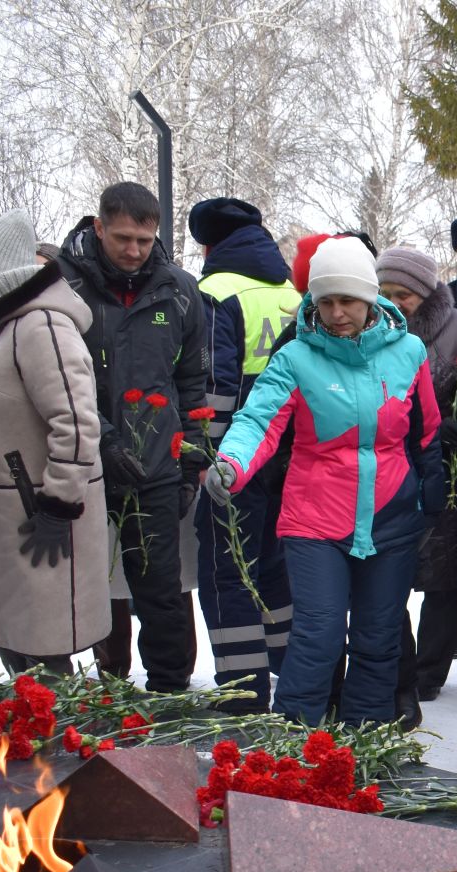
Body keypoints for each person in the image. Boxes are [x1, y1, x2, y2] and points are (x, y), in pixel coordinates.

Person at [205, 236, 440, 726]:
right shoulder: (296, 356)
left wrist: (432, 485)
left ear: (370, 298)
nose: (336, 313)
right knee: (319, 633)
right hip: (314, 518)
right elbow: (259, 419)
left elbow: (426, 428)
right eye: (325, 301)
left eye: (348, 300)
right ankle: (295, 740)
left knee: (379, 638)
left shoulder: (409, 352)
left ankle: (365, 737)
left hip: (390, 517)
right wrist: (232, 462)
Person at [56, 181, 208, 691]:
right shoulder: (62, 286)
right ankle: (104, 685)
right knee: (90, 586)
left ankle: (170, 687)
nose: (133, 250)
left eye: (144, 241)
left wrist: (190, 459)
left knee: (160, 586)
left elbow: (192, 383)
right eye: (122, 238)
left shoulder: (180, 290)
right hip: (84, 460)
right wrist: (101, 440)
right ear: (98, 227)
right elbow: (55, 381)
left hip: (156, 464)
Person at [0, 210, 111, 673]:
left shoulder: (41, 324)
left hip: (38, 514)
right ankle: (37, 741)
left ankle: (54, 744)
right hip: (11, 514)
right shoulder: (4, 328)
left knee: (44, 657)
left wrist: (59, 503)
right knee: (22, 649)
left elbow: (78, 421)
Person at [188, 196, 300, 713]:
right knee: (274, 564)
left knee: (225, 565)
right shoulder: (289, 291)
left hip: (237, 454)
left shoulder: (214, 292)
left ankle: (242, 685)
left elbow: (216, 388)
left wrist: (210, 457)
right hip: (291, 453)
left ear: (208, 244)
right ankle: (289, 665)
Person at [379, 244, 457, 712]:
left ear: (424, 292)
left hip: (444, 461)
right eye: (385, 291)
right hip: (387, 464)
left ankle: (430, 671)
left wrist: (450, 427)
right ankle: (396, 662)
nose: (394, 301)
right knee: (389, 570)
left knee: (443, 574)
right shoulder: (371, 327)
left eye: (403, 293)